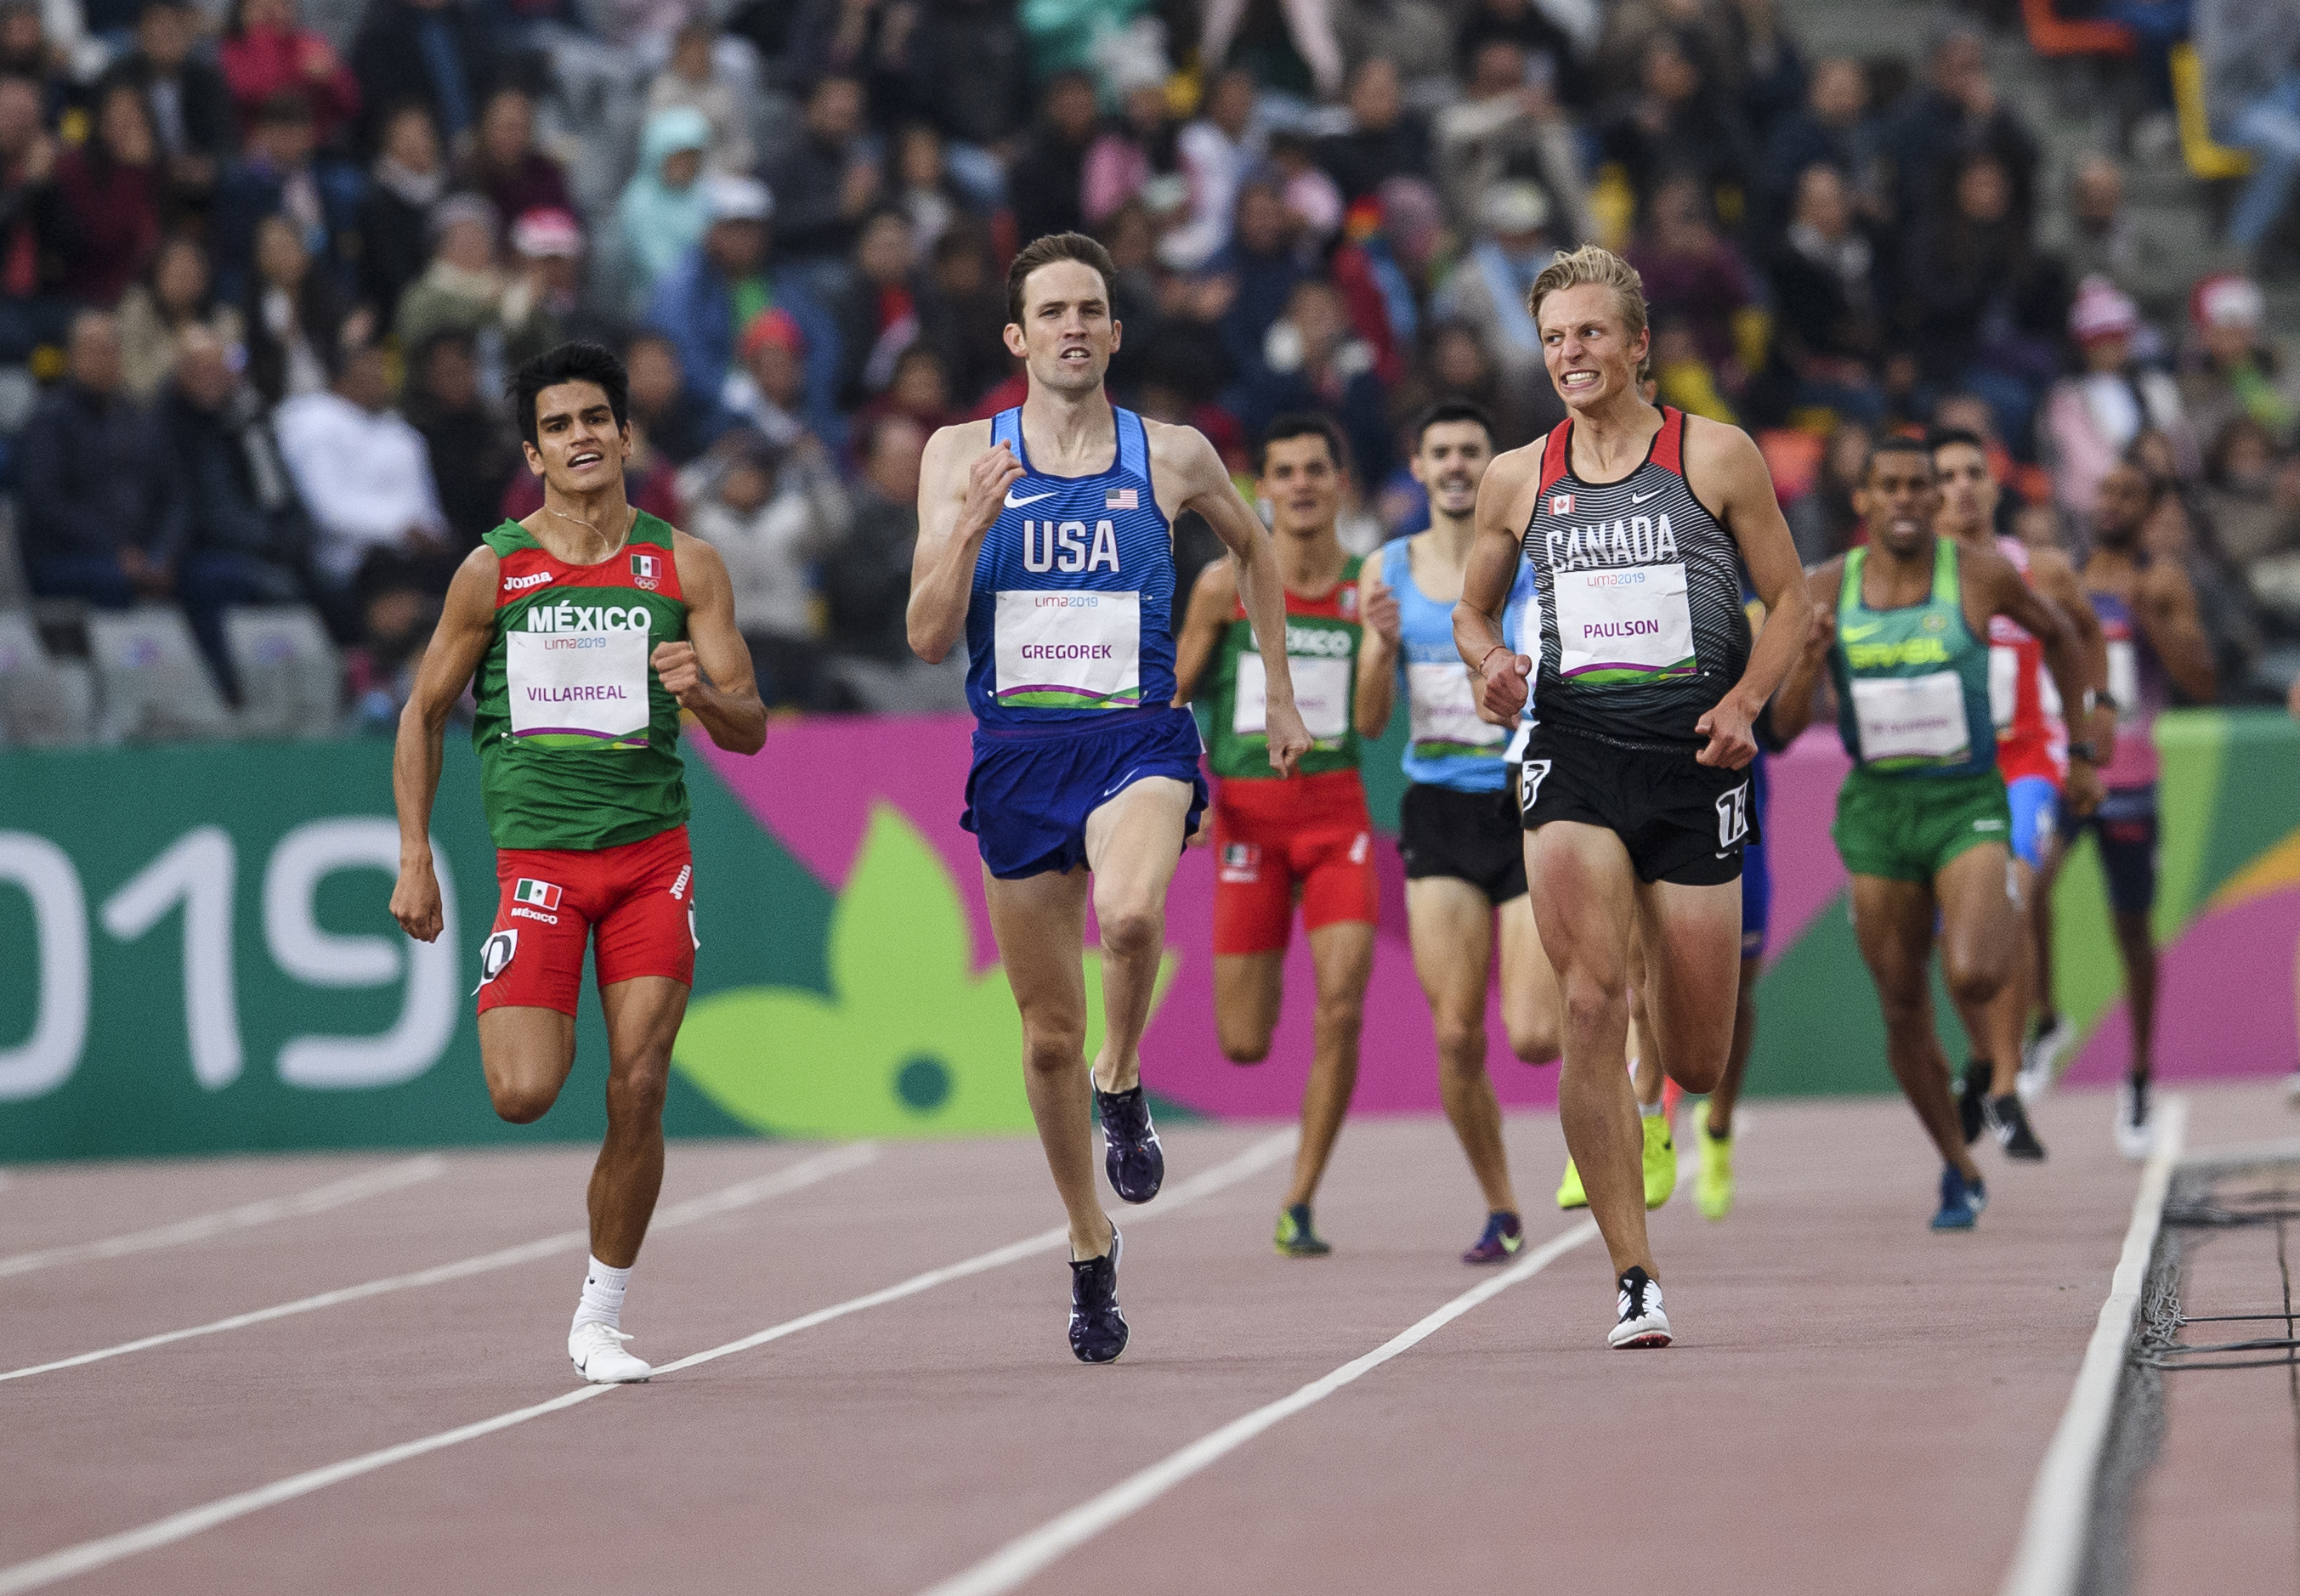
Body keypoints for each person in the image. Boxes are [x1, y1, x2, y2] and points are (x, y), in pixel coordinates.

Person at [906, 232, 1309, 1362]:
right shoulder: (959, 454)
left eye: (1089, 309)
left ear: (1115, 332)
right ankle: (1089, 1241)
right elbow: (927, 634)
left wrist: (1278, 692)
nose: (1072, 327)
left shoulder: (1170, 453)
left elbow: (1254, 550)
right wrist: (972, 525)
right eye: (1052, 312)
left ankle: (1122, 1077)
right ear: (1017, 336)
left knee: (1130, 916)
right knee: (1045, 1039)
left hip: (1137, 738)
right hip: (1016, 755)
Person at [1453, 244, 1812, 1350]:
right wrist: (1489, 665)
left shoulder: (1714, 456)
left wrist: (1746, 701)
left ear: (1638, 343)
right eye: (1555, 338)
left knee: (1697, 1057)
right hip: (1573, 750)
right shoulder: (1519, 475)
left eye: (1591, 333)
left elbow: (1792, 601)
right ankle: (1632, 1276)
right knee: (1589, 1001)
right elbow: (1473, 611)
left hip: (1695, 763)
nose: (1572, 354)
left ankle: (1660, 1088)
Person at [388, 342, 766, 1384]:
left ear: (626, 434)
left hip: (651, 862)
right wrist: (415, 856)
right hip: (540, 869)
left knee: (638, 1084)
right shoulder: (494, 570)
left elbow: (751, 727)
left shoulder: (685, 566)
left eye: (596, 418)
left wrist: (703, 695)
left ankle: (600, 1316)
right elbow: (421, 712)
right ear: (534, 454)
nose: (580, 437)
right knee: (523, 1092)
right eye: (558, 426)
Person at [1771, 439, 2097, 1231]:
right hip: (1879, 814)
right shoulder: (1825, 586)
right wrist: (1809, 665)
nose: (1908, 498)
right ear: (1864, 501)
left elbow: (2062, 636)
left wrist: (2084, 742)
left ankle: (1988, 1058)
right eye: (1890, 486)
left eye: (1920, 485)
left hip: (1965, 801)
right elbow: (1781, 730)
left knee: (1977, 971)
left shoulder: (1980, 576)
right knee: (1902, 1008)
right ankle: (1958, 1165)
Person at [1357, 400, 1561, 1262]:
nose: (1453, 465)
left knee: (1536, 1035)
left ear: (1491, 465)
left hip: (1523, 803)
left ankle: (1630, 1057)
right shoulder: (1386, 568)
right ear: (1417, 465)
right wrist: (1379, 650)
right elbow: (1370, 722)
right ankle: (1501, 1205)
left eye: (1469, 452)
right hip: (1438, 810)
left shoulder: (1529, 565)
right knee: (1454, 1033)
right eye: (1438, 451)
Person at [1170, 413, 1377, 1259]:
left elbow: (1376, 715)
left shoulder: (1367, 587)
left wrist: (1383, 650)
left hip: (1336, 819)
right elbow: (1173, 694)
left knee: (1342, 1009)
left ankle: (1300, 1198)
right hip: (1249, 821)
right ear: (1260, 490)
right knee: (1245, 1042)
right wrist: (1180, 790)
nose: (1300, 485)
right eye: (1283, 472)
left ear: (1340, 484)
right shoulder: (1221, 587)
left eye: (1314, 470)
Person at [1929, 428, 2110, 1151]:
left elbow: (2086, 634)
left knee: (2016, 892)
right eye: (1946, 476)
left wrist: (2098, 718)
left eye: (1974, 472)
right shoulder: (1907, 575)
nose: (1962, 487)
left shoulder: (2039, 570)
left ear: (1995, 483)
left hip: (2027, 762)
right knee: (1955, 935)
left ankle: (2008, 1080)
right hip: (1943, 774)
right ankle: (1984, 1053)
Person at [2077, 462, 2217, 1157]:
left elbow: (2202, 682)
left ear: (2151, 509)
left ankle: (2138, 1075)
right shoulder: (2063, 574)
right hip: (2068, 770)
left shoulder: (2161, 580)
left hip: (2130, 780)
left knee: (2132, 930)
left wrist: (2150, 616)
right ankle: (2039, 1027)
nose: (2111, 503)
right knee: (2025, 883)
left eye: (2128, 495)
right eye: (2105, 490)